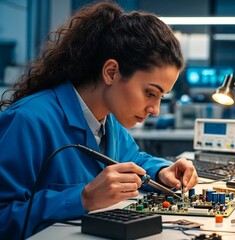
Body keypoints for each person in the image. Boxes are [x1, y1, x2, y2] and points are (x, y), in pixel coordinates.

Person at [0, 2, 198, 239]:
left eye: (161, 97)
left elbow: (134, 159)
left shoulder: (108, 122)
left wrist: (161, 172)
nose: (155, 110)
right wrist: (82, 197)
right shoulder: (28, 121)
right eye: (150, 93)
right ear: (111, 72)